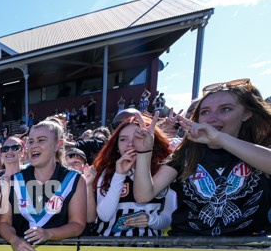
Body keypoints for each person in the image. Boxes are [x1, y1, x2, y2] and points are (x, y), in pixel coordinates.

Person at [133, 79, 271, 236]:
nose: (212, 118)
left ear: (247, 114)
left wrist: (219, 138)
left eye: (225, 109)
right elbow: (144, 195)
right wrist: (144, 152)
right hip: (189, 249)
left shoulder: (261, 148)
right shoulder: (185, 153)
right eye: (205, 112)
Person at [0, 117, 87, 251]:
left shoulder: (75, 179)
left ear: (58, 144)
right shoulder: (15, 180)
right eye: (31, 141)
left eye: (41, 140)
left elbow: (77, 224)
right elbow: (4, 223)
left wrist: (48, 234)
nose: (33, 146)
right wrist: (15, 240)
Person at [92, 117, 175, 236]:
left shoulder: (163, 172)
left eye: (138, 137)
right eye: (123, 139)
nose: (130, 144)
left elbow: (167, 219)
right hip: (110, 247)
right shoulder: (106, 173)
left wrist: (151, 220)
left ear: (151, 142)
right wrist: (119, 175)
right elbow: (105, 216)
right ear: (116, 146)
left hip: (149, 248)